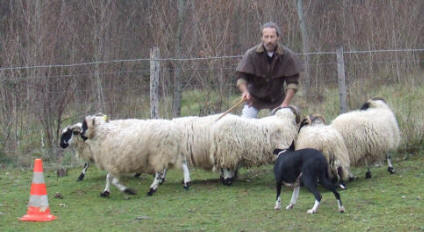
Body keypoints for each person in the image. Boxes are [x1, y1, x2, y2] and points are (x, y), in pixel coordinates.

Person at [236, 21, 303, 118]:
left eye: (272, 37)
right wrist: (245, 92)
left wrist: (285, 103)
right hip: (254, 100)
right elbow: (241, 78)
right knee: (245, 124)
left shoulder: (287, 56)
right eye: (266, 37)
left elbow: (292, 84)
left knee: (282, 128)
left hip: (277, 101)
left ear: (278, 37)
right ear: (261, 38)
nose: (269, 40)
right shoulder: (251, 54)